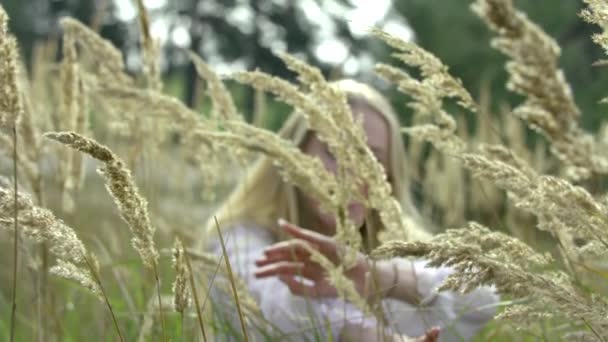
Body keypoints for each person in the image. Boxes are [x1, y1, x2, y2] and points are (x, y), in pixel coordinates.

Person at [203, 79, 498, 341]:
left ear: (389, 177)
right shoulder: (237, 236)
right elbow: (271, 302)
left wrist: (382, 278)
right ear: (295, 152)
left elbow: (483, 295)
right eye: (333, 152)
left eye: (371, 160)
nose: (351, 176)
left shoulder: (391, 247)